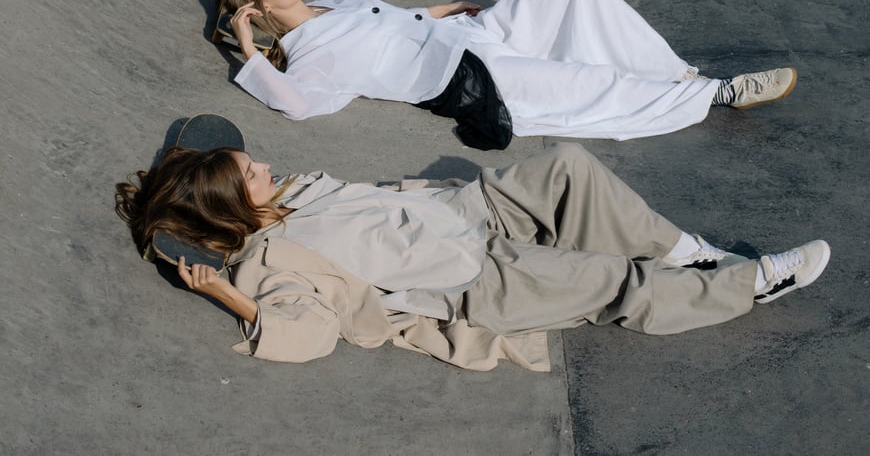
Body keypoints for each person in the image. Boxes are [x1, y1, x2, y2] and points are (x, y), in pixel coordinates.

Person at [115, 142, 829, 371]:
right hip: (471, 277)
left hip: (468, 215)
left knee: (569, 167)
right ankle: (744, 286)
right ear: (227, 207)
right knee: (615, 283)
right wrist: (228, 298)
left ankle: (696, 255)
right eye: (250, 173)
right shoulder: (270, 263)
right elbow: (309, 332)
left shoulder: (298, 192)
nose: (265, 165)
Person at [214, 0, 797, 149]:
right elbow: (295, 103)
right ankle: (717, 93)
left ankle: (674, 72)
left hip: (471, 35)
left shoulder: (335, 4)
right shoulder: (313, 57)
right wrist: (249, 50)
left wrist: (445, 7)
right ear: (259, 10)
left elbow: (393, 20)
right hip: (467, 76)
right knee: (584, 82)